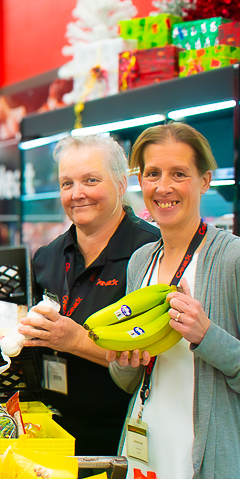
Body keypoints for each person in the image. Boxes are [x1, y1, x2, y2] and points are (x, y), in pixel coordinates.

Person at [109, 122, 240, 479]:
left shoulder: (239, 261)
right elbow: (129, 381)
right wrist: (125, 363)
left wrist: (207, 336)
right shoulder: (141, 262)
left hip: (207, 473)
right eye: (152, 174)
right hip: (144, 459)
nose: (163, 187)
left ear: (204, 181)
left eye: (179, 173)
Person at [20, 134, 159, 456]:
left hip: (127, 437)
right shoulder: (46, 257)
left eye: (91, 180)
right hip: (51, 430)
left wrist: (76, 340)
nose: (77, 193)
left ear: (122, 184)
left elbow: (155, 357)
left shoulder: (152, 252)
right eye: (67, 183)